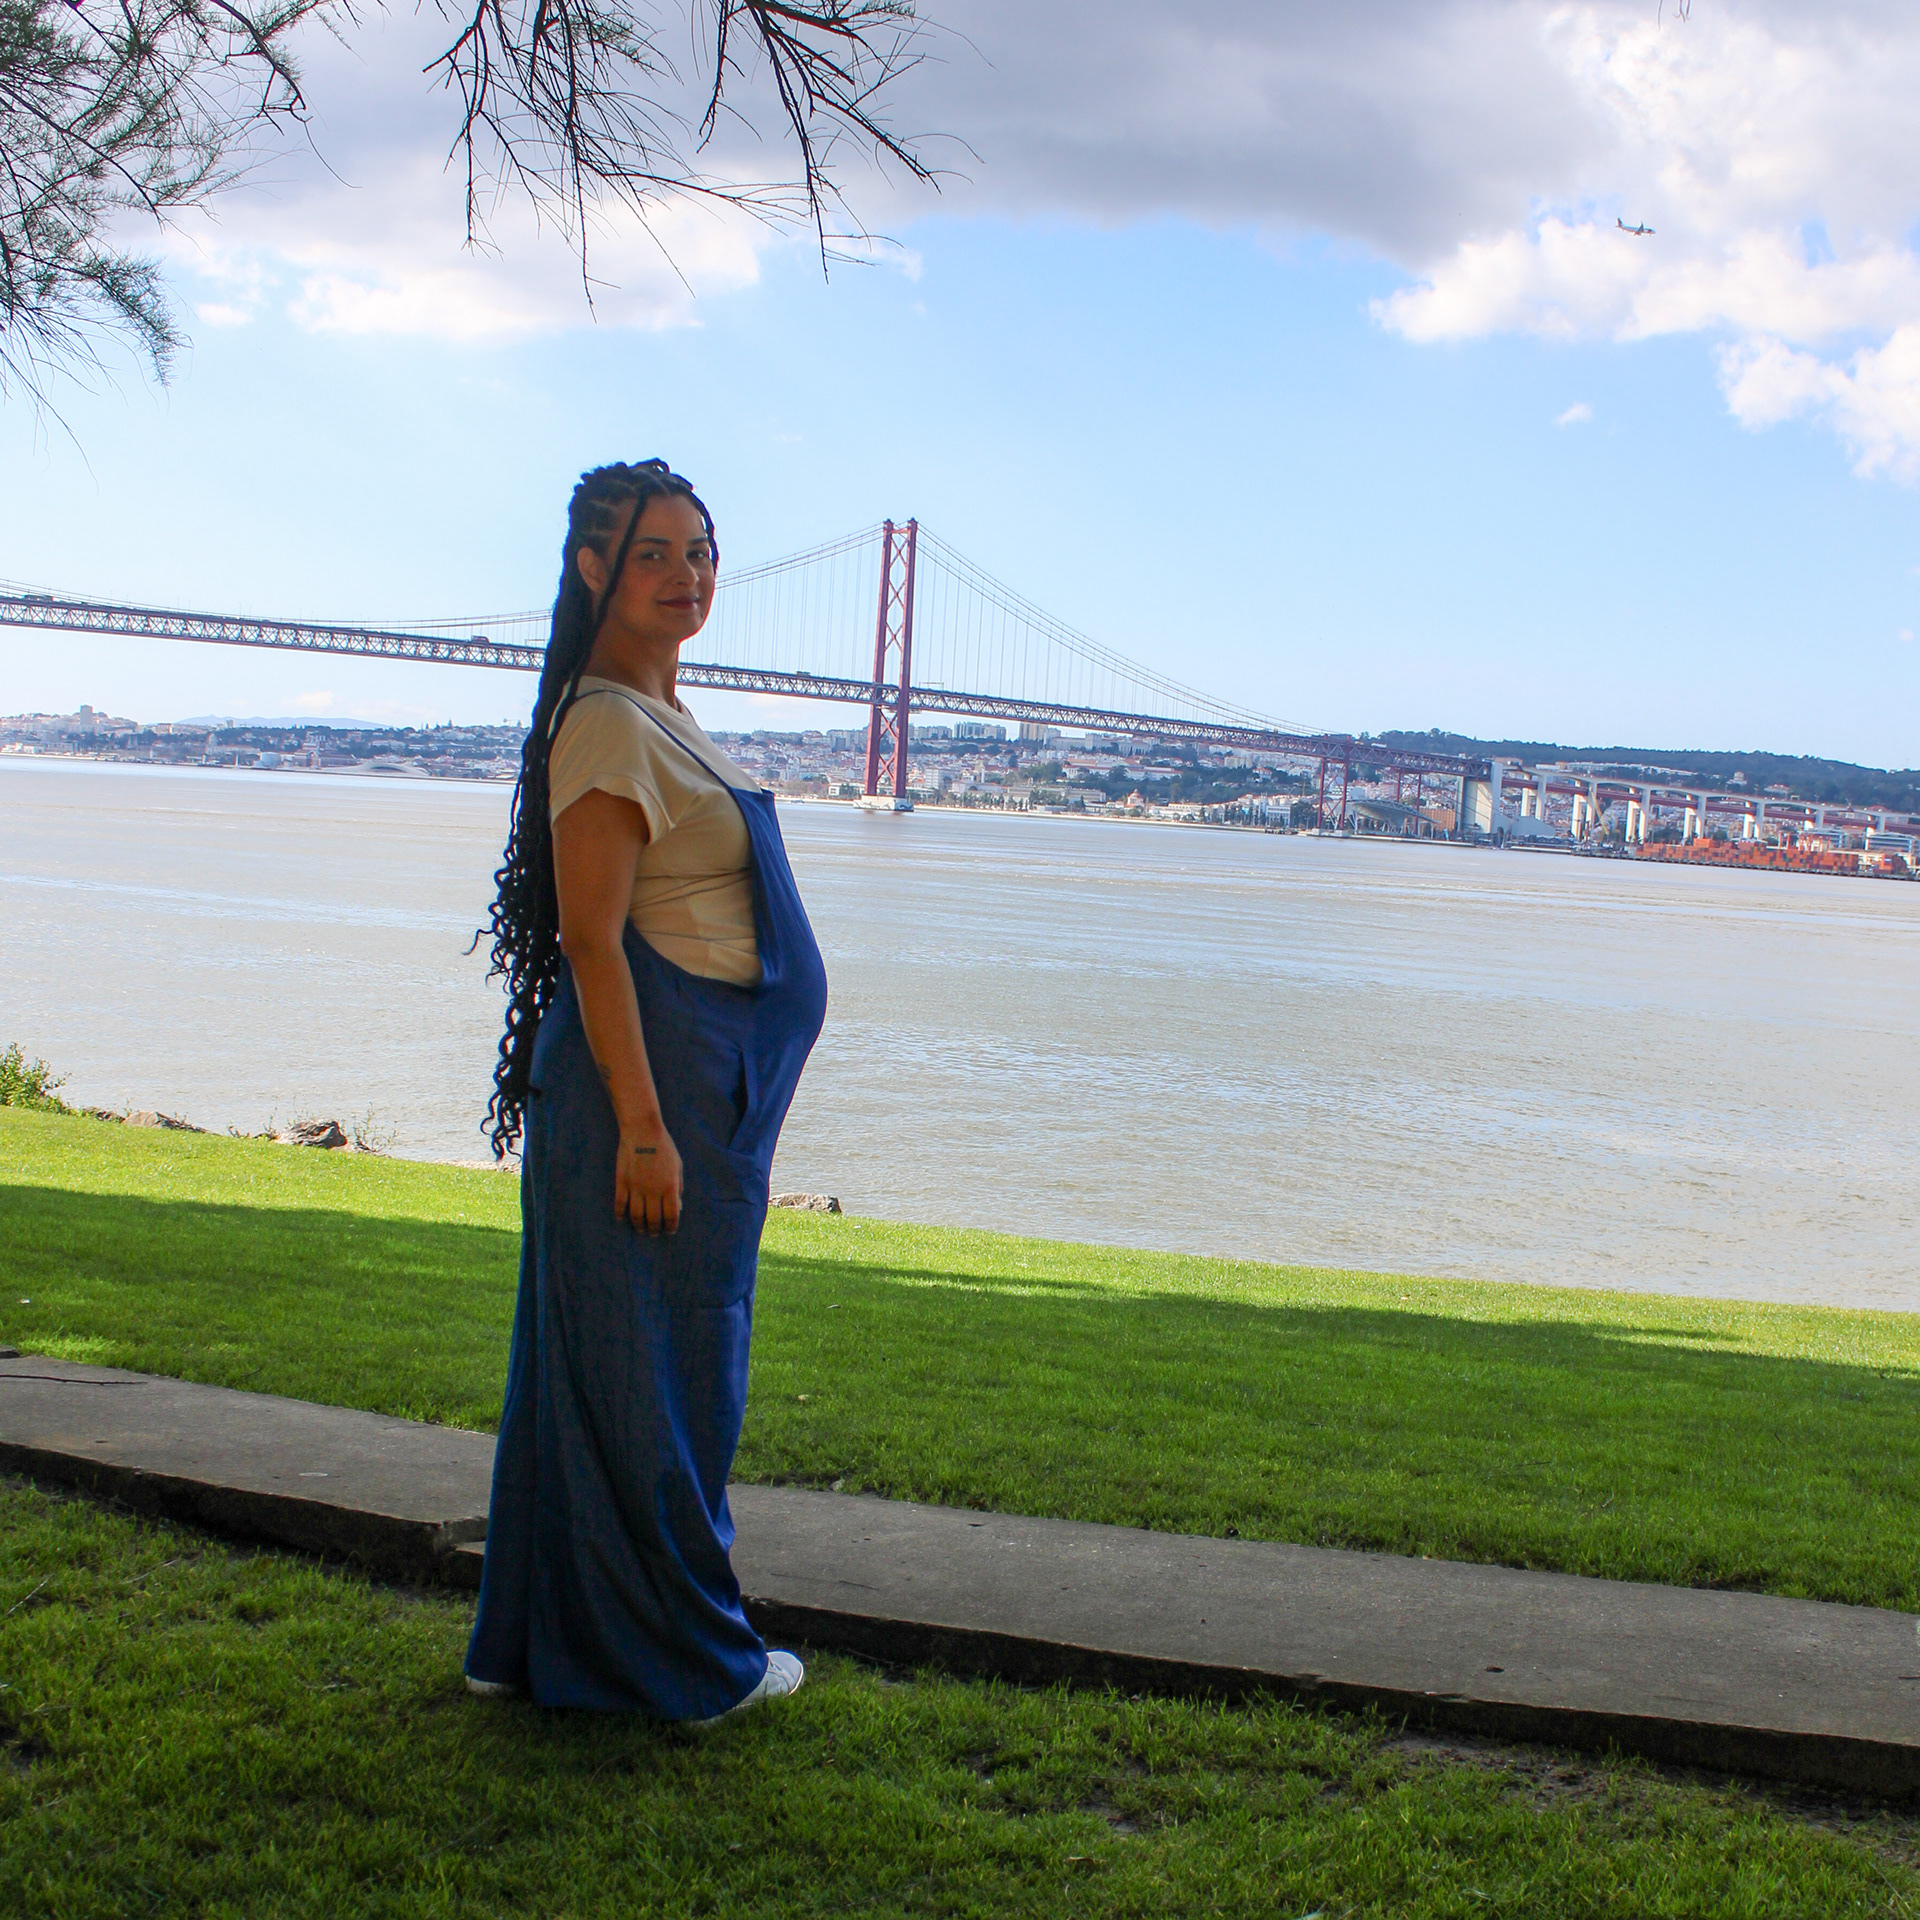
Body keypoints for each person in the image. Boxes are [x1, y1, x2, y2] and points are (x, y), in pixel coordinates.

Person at [463, 460, 828, 1721]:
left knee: (621, 1370)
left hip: (695, 1086)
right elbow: (590, 936)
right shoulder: (612, 721)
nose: (688, 576)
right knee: (658, 1385)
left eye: (701, 551)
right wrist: (642, 1129)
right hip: (653, 1098)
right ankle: (683, 1664)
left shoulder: (657, 713)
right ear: (592, 571)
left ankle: (544, 1648)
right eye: (654, 554)